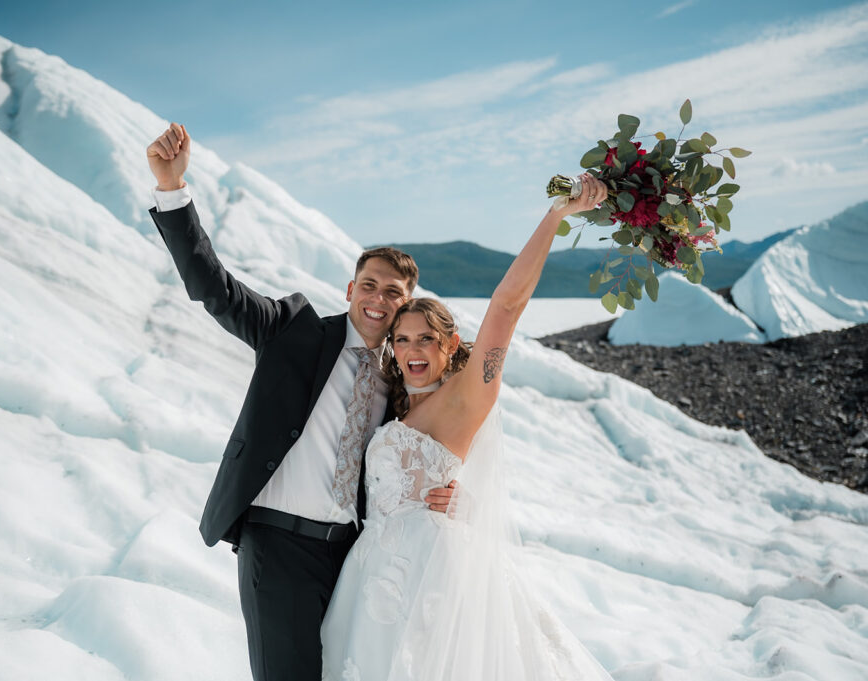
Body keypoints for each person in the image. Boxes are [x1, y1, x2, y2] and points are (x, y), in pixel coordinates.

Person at [145, 123, 456, 681]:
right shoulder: (293, 330)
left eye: (393, 293)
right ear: (350, 290)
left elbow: (416, 454)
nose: (379, 299)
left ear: (406, 306)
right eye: (370, 285)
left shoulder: (401, 379)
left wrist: (445, 489)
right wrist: (173, 190)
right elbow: (214, 287)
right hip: (277, 545)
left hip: (353, 557)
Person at [320, 173, 616, 680]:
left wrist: (556, 217)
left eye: (426, 340)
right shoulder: (397, 408)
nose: (414, 350)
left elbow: (507, 304)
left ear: (450, 345)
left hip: (431, 577)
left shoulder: (467, 394)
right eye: (404, 339)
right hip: (371, 573)